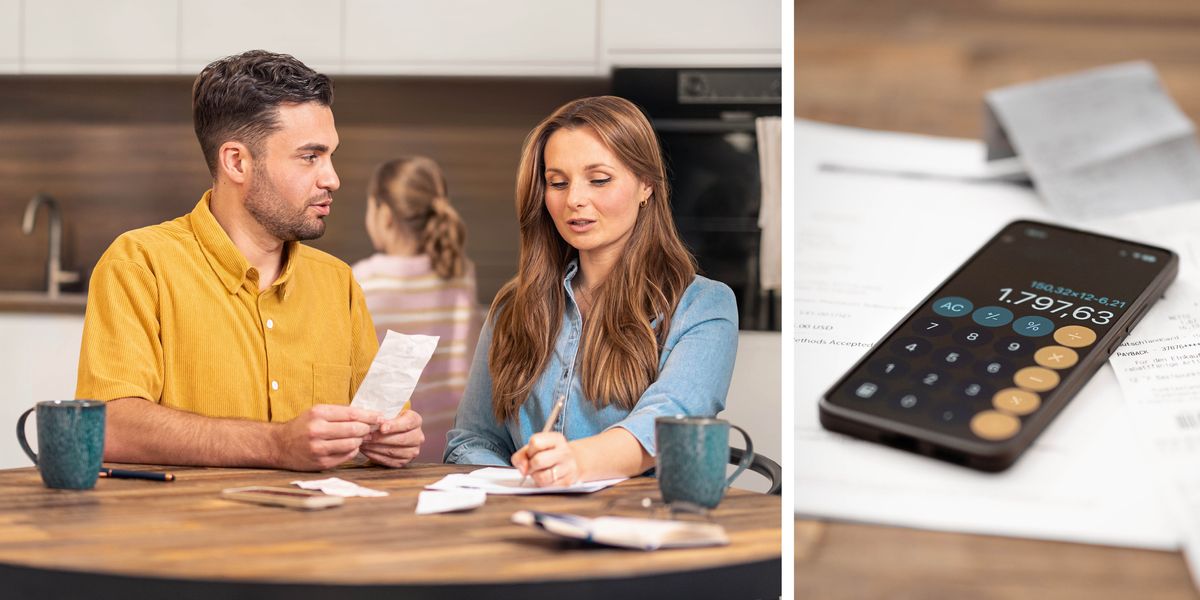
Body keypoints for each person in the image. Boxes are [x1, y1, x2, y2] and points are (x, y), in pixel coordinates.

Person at [75, 50, 424, 471]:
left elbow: (385, 421)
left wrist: (396, 437)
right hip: (189, 533)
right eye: (310, 156)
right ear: (237, 162)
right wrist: (276, 445)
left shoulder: (338, 283)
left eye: (330, 155)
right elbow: (110, 426)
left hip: (323, 532)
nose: (332, 178)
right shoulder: (139, 264)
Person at [444, 96, 738, 486]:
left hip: (639, 530)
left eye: (599, 180)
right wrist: (524, 482)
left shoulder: (704, 307)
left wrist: (572, 464)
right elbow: (471, 439)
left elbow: (667, 424)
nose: (574, 200)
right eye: (557, 183)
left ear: (646, 184)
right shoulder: (513, 307)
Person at [352, 157, 480, 461]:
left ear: (383, 215)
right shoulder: (461, 274)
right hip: (452, 446)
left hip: (388, 448)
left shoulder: (360, 279)